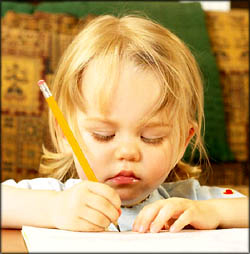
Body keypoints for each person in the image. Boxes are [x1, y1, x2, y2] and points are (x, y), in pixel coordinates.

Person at [2, 14, 248, 233]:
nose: (128, 152)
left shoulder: (187, 201)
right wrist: (52, 209)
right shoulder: (55, 197)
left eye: (152, 137)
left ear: (183, 140)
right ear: (65, 134)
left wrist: (215, 213)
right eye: (104, 134)